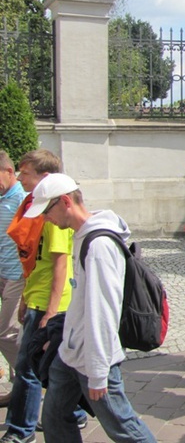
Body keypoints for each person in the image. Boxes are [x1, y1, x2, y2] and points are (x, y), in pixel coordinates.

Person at [22, 173, 155, 442]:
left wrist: (97, 373)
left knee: (123, 427)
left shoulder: (99, 246)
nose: (45, 219)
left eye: (46, 211)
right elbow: (82, 301)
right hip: (72, 351)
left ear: (65, 201)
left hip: (94, 357)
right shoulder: (82, 236)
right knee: (55, 418)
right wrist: (63, 336)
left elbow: (103, 311)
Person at [2, 149, 85, 443]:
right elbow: (33, 263)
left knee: (27, 368)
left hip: (52, 305)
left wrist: (50, 311)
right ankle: (75, 413)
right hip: (36, 298)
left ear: (45, 178)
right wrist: (26, 297)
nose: (21, 177)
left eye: (26, 173)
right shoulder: (38, 210)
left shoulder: (56, 219)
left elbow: (60, 264)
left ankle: (21, 430)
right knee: (53, 366)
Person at [0, 152, 26, 408]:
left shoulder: (22, 200)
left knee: (5, 333)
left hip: (18, 276)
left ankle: (32, 380)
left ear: (9, 171)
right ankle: (19, 388)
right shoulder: (2, 199)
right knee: (13, 334)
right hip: (2, 274)